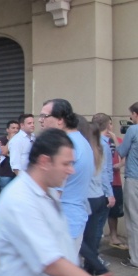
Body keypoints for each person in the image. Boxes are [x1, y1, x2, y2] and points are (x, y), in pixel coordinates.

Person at [0, 128, 138, 276]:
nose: (71, 170)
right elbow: (52, 264)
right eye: (66, 164)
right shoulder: (20, 201)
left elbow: (60, 246)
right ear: (44, 162)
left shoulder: (49, 193)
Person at [39, 98, 94, 252]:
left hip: (63, 223)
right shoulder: (80, 141)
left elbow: (55, 191)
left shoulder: (65, 146)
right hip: (73, 219)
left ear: (60, 121)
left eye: (44, 116)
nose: (40, 120)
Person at [77, 116, 115, 276]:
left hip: (87, 199)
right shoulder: (100, 148)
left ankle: (96, 267)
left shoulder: (82, 150)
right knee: (91, 237)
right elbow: (106, 174)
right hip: (99, 196)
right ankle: (89, 270)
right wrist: (110, 194)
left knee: (77, 237)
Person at [117, 101, 138, 269]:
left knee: (133, 220)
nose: (130, 117)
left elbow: (121, 151)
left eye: (131, 114)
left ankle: (135, 259)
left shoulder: (133, 130)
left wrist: (112, 138)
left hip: (134, 179)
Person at [104, 115, 128, 250]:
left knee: (115, 211)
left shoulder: (118, 140)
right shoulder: (98, 141)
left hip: (116, 180)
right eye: (107, 124)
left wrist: (119, 165)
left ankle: (114, 235)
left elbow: (124, 155)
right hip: (103, 182)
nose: (109, 127)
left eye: (111, 124)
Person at [0, 120, 19, 191]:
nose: (15, 130)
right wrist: (11, 139)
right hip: (5, 173)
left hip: (17, 173)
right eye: (13, 128)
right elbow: (1, 152)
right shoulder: (1, 140)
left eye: (17, 128)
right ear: (7, 130)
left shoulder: (20, 140)